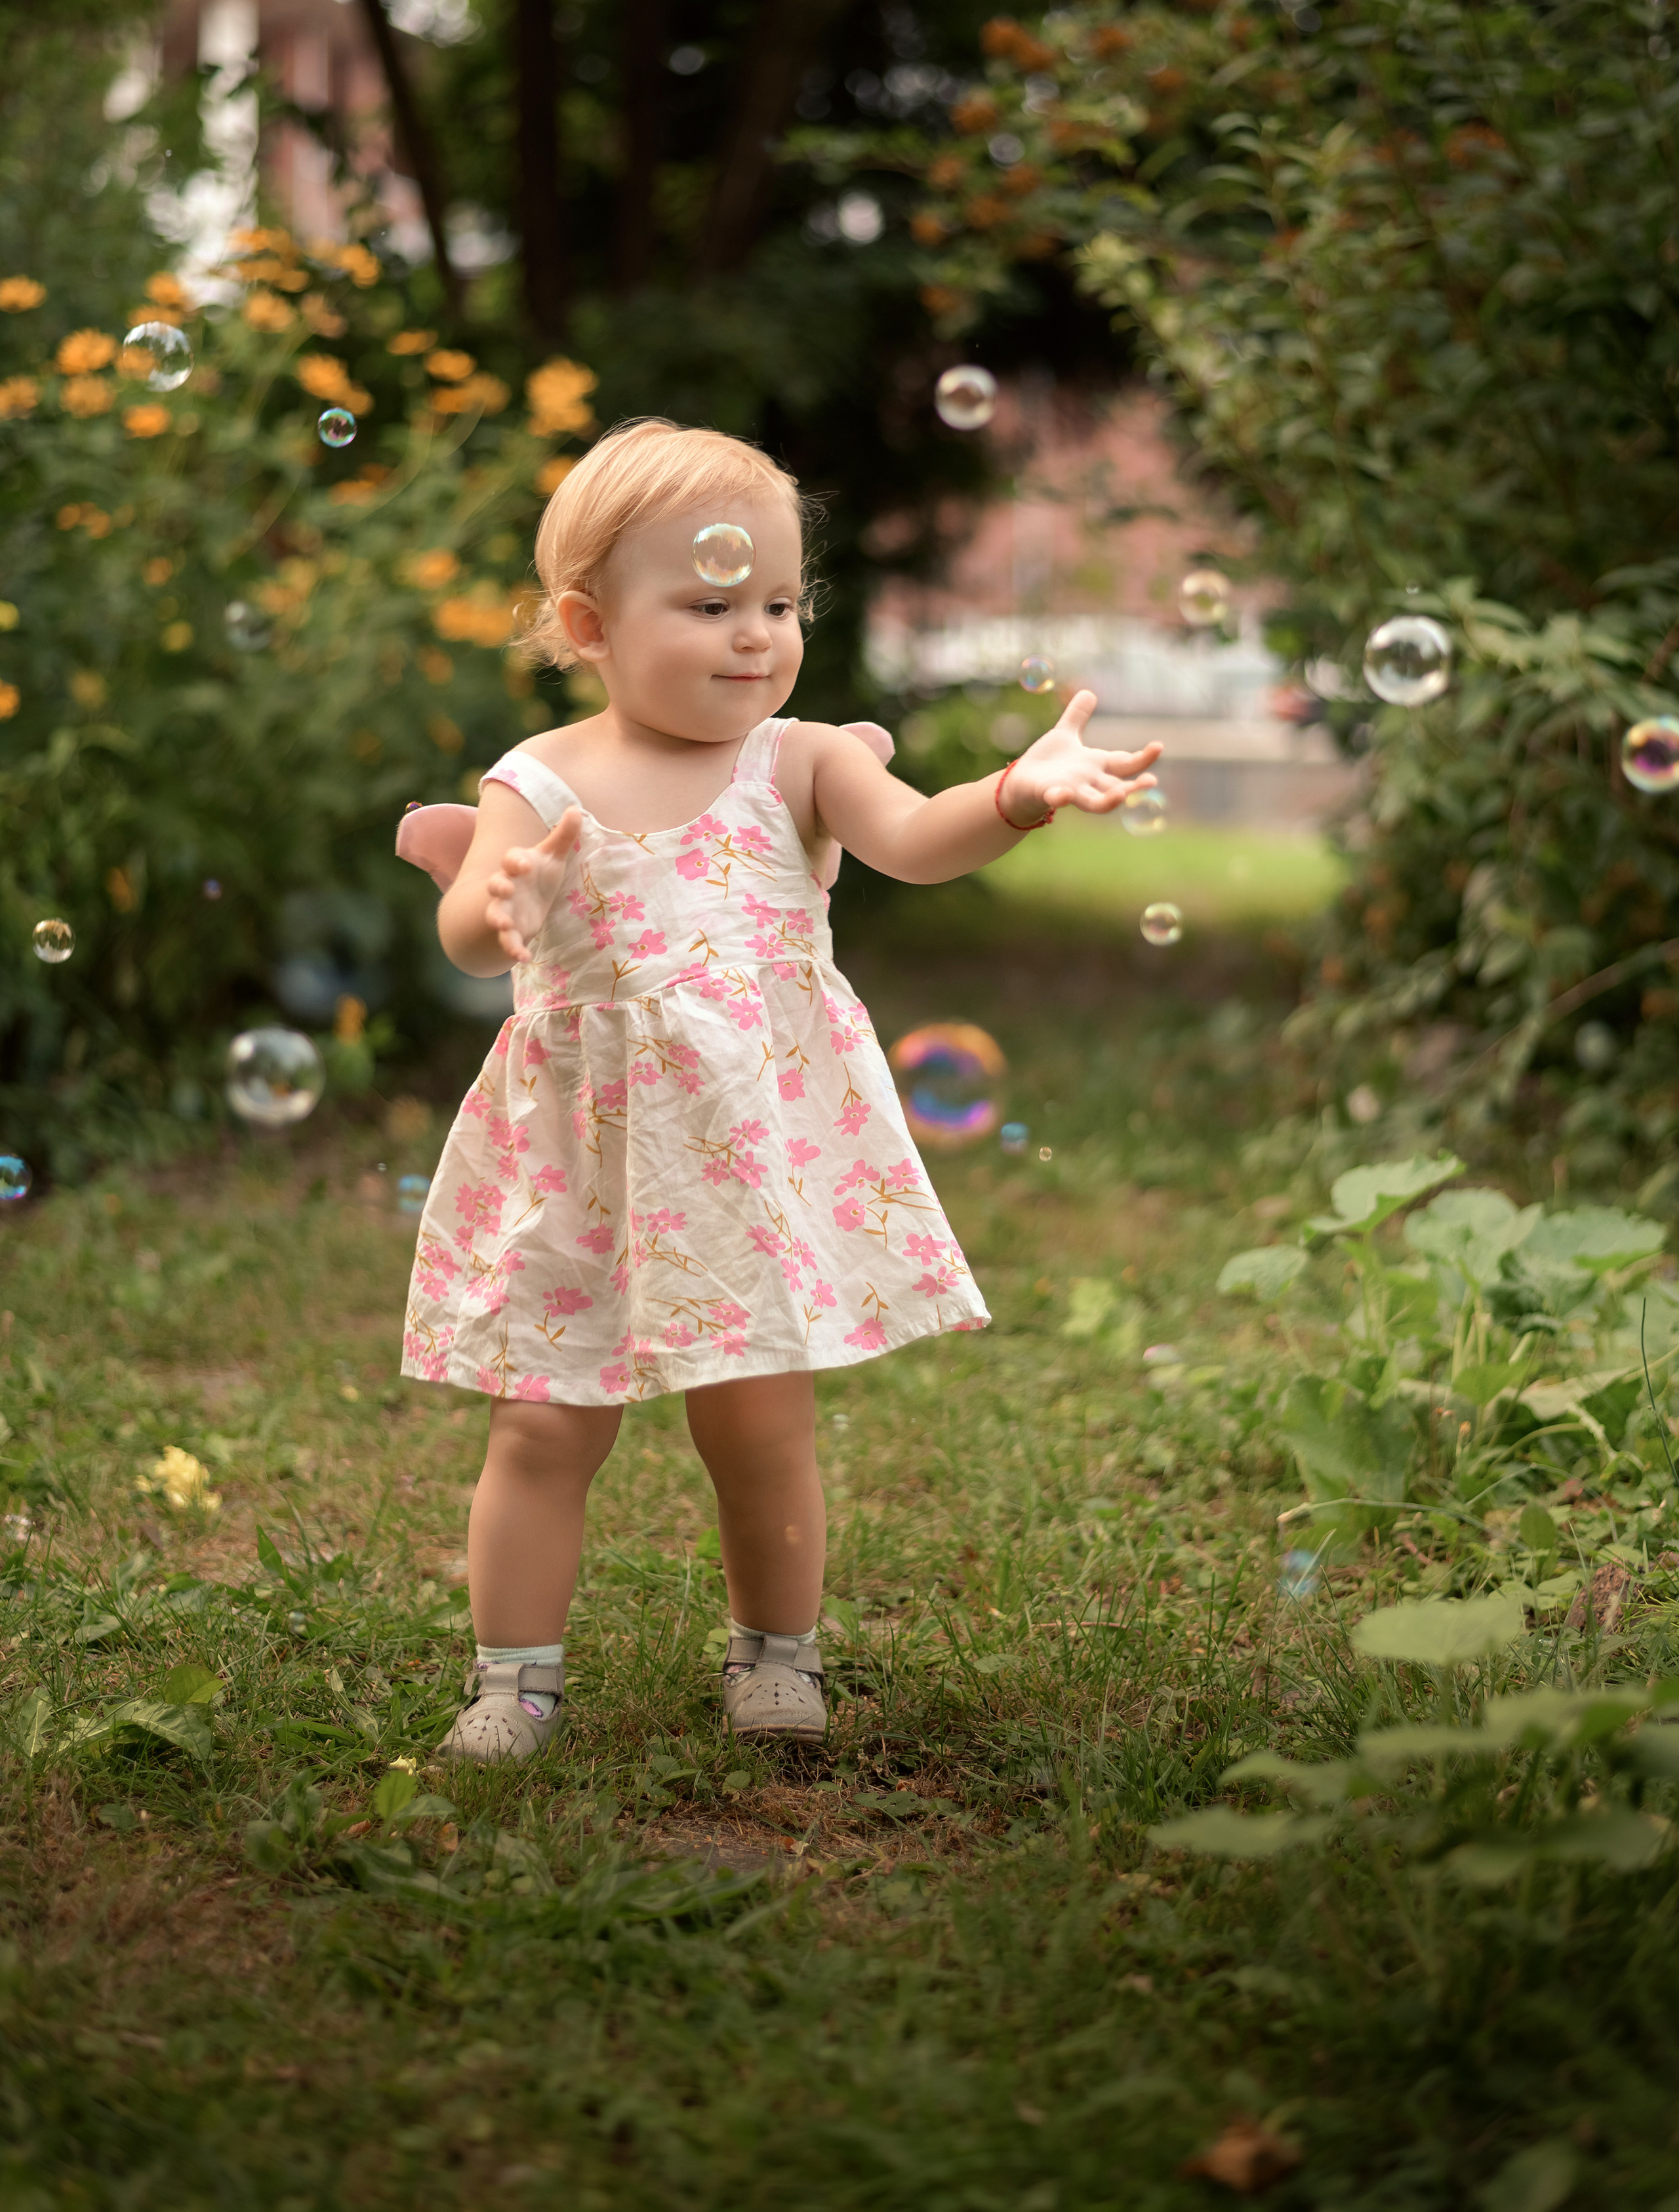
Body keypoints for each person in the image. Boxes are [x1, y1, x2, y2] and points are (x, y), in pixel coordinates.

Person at [397, 417, 1161, 1763]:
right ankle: (510, 1681)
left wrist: (1017, 792)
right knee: (540, 1423)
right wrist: (497, 896)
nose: (755, 635)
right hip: (586, 1166)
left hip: (747, 1161)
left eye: (778, 602)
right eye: (708, 604)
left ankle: (775, 1654)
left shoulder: (801, 761)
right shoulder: (536, 781)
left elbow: (920, 842)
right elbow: (467, 924)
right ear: (589, 620)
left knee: (757, 1418)